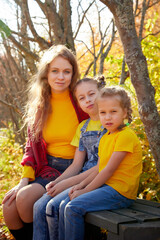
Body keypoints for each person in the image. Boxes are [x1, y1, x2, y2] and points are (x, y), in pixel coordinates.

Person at [2, 44, 88, 240]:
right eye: (55, 71)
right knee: (8, 207)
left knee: (24, 201)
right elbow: (30, 148)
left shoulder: (80, 101)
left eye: (67, 71)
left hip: (74, 169)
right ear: (46, 74)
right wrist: (23, 181)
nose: (61, 77)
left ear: (73, 74)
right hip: (46, 167)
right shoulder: (41, 104)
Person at [58, 86, 142, 240]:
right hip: (107, 188)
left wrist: (84, 191)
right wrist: (81, 185)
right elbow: (99, 168)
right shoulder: (105, 137)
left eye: (113, 112)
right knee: (63, 205)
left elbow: (108, 171)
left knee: (73, 207)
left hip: (120, 192)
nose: (107, 117)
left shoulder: (125, 136)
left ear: (125, 112)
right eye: (103, 112)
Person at [33, 76, 106, 240]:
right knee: (39, 205)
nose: (87, 100)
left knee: (53, 207)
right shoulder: (82, 127)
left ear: (101, 92)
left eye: (91, 94)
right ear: (78, 103)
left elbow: (102, 167)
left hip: (98, 179)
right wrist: (57, 182)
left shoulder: (109, 124)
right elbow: (76, 165)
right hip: (82, 175)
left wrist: (67, 184)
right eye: (82, 98)